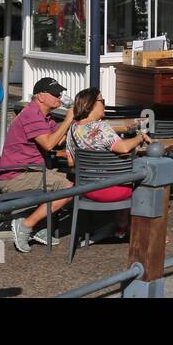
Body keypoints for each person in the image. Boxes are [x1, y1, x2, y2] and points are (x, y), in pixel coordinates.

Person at [0, 77, 76, 252]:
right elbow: (49, 144)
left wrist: (75, 123)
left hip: (30, 171)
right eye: (55, 93)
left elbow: (59, 139)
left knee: (66, 177)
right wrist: (69, 120)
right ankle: (26, 225)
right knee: (68, 187)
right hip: (15, 177)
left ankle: (38, 226)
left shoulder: (45, 117)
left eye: (60, 93)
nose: (59, 97)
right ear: (40, 96)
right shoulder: (31, 115)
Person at [66, 87, 152, 244]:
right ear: (91, 104)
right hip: (113, 189)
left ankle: (121, 226)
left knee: (124, 175)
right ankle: (148, 232)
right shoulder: (101, 127)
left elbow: (71, 161)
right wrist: (140, 137)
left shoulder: (72, 129)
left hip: (88, 189)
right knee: (144, 181)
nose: (104, 105)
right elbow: (124, 148)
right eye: (102, 101)